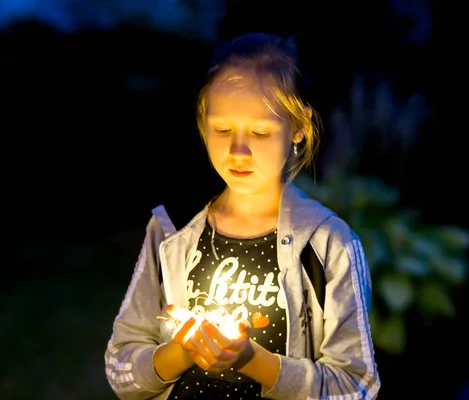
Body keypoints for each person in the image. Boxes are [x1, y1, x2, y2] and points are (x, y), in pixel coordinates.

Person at [104, 32, 381, 400]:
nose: (238, 151)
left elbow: (356, 386)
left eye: (260, 132)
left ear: (298, 128)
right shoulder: (171, 230)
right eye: (222, 129)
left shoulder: (329, 244)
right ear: (203, 123)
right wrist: (183, 352)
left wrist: (251, 359)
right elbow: (120, 368)